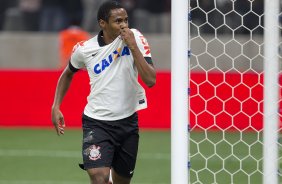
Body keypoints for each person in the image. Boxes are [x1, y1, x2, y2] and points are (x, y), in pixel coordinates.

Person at [51, 1, 156, 184]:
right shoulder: (85, 49)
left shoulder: (136, 38)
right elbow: (67, 74)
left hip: (128, 122)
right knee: (99, 177)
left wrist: (133, 47)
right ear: (102, 23)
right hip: (97, 122)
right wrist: (56, 106)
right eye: (117, 21)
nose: (123, 25)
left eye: (125, 20)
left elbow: (150, 80)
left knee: (122, 181)